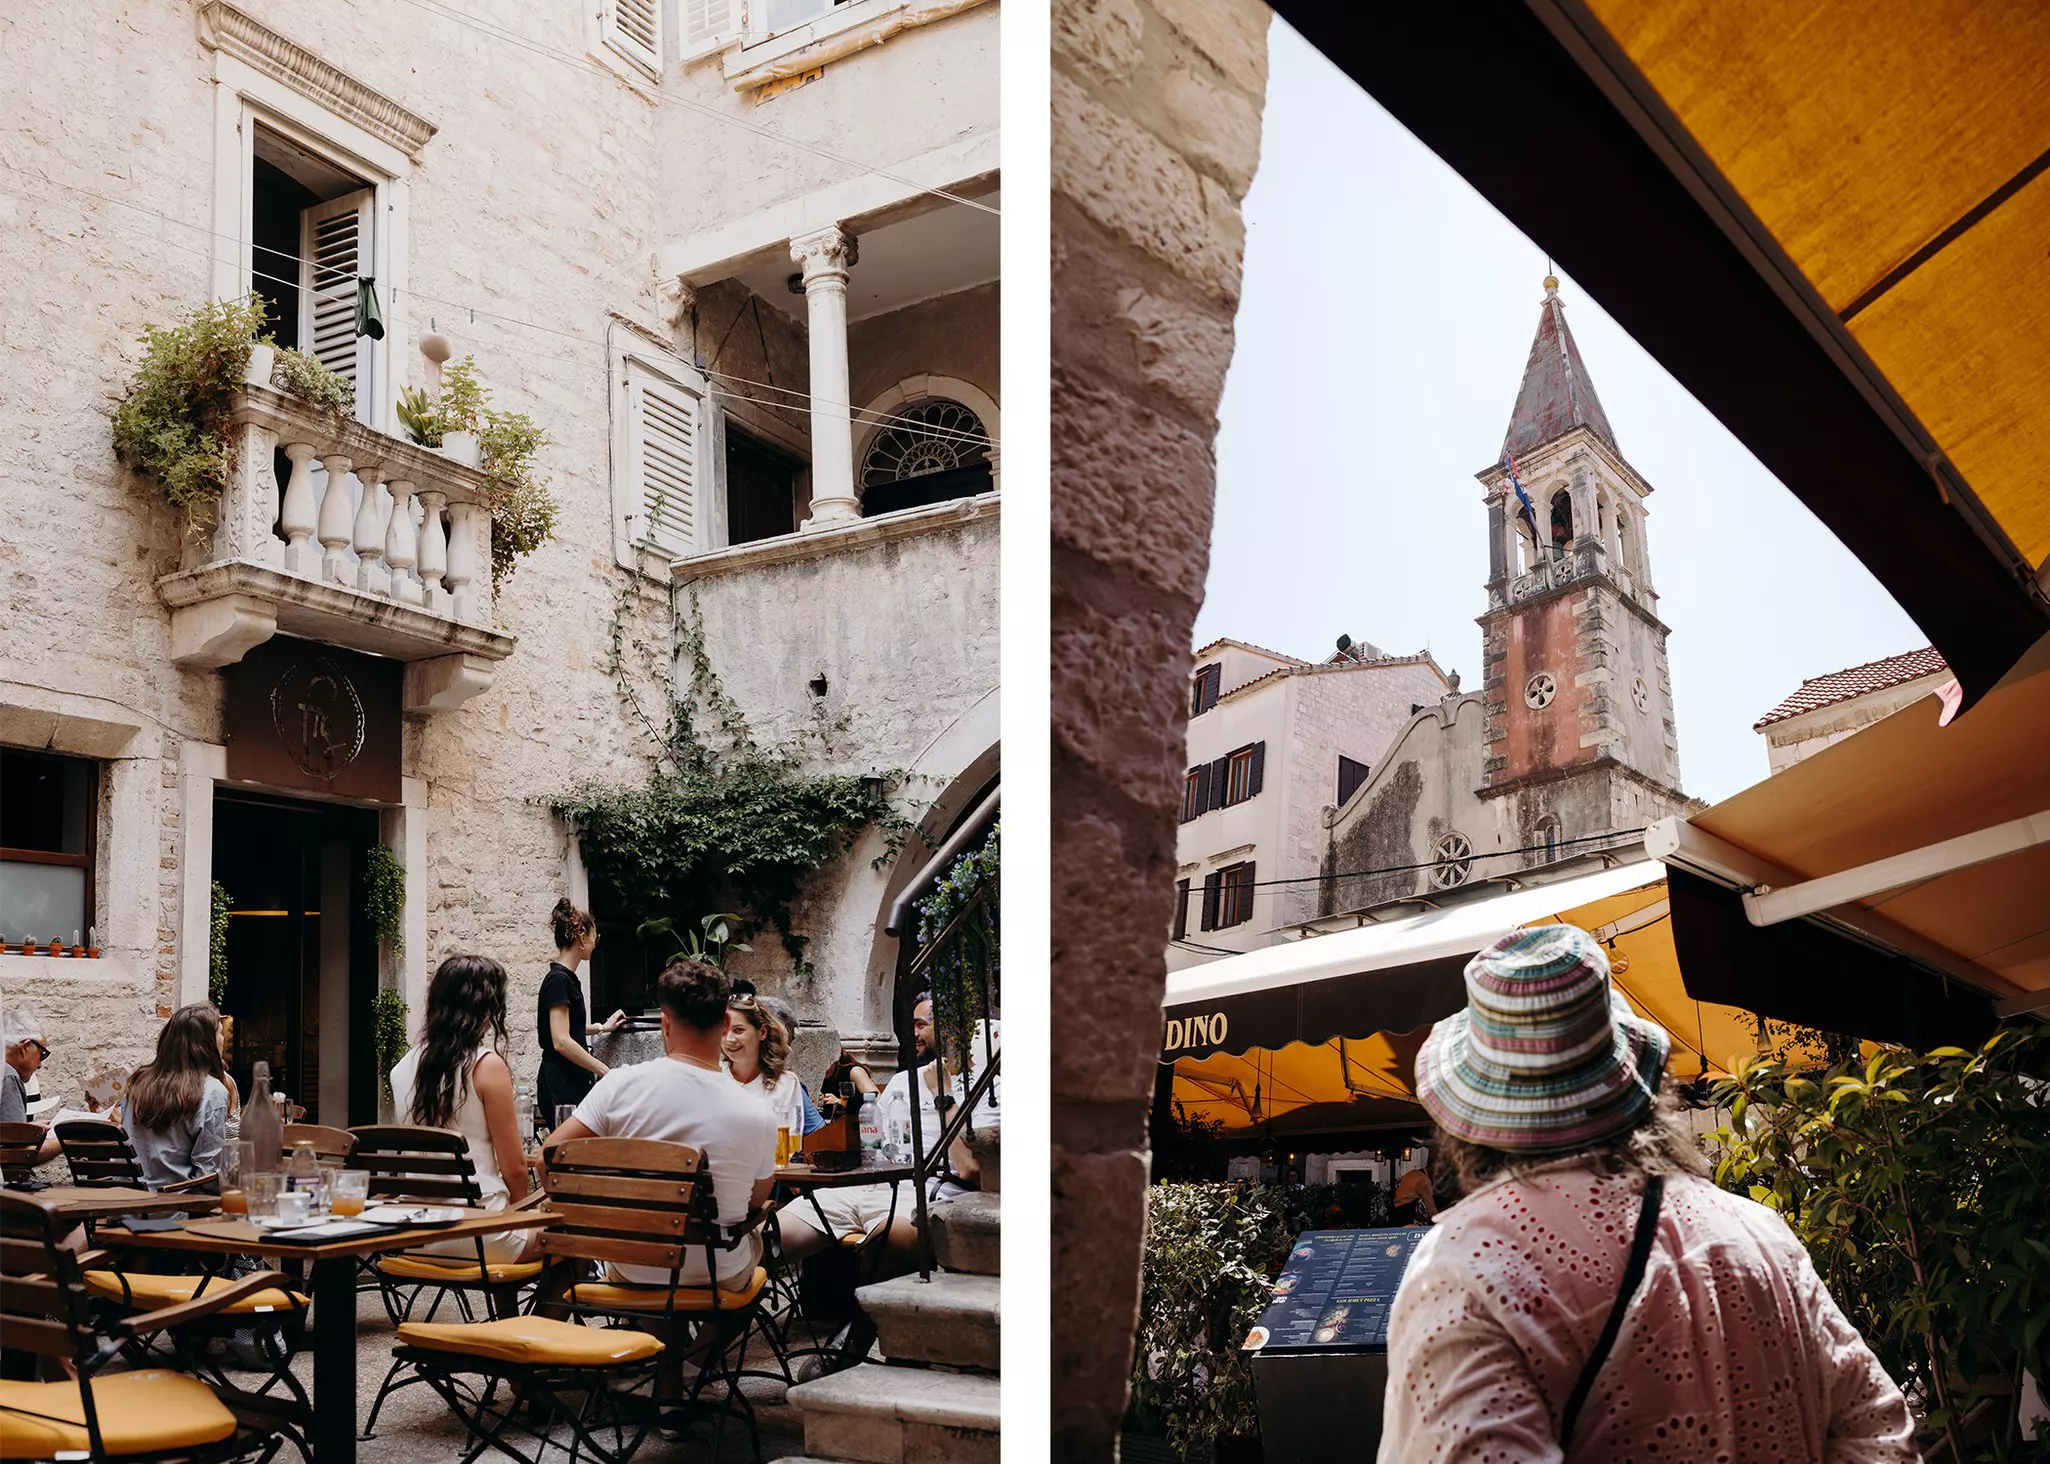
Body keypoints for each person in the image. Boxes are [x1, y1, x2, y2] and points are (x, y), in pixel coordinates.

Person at [1378, 924, 1917, 1463]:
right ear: (1633, 1077)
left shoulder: (1468, 1266)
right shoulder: (1760, 1232)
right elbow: (1880, 1432)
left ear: (1473, 1114)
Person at [545, 956, 775, 1425]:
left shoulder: (621, 1086)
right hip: (717, 1273)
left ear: (665, 1023)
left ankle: (668, 1384)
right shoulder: (757, 1113)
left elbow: (553, 1155)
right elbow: (754, 1202)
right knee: (749, 1236)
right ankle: (682, 1375)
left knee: (654, 1246)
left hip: (634, 1263)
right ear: (726, 1022)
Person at [389, 954, 538, 1263]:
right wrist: (522, 1214)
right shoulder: (485, 1065)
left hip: (416, 1235)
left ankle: (506, 1312)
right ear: (483, 1008)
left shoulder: (401, 1069)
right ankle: (523, 1314)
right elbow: (514, 1169)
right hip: (478, 1233)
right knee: (574, 1240)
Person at [122, 1004, 229, 1189]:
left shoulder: (138, 1084)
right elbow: (208, 1173)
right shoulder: (212, 1091)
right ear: (207, 1043)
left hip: (126, 1208)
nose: (224, 1038)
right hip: (178, 1210)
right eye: (220, 1032)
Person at [536, 898, 624, 1121]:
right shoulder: (558, 981)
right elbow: (561, 1040)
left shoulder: (565, 979)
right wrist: (604, 1070)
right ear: (582, 938)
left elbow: (567, 1028)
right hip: (561, 1081)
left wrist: (601, 1028)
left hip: (568, 1078)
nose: (595, 943)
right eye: (595, 937)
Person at [0, 1008, 60, 1164]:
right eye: (42, 1054)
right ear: (25, 1046)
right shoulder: (7, 1076)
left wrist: (29, 1130)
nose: (40, 1065)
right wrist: (67, 1138)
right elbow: (18, 1154)